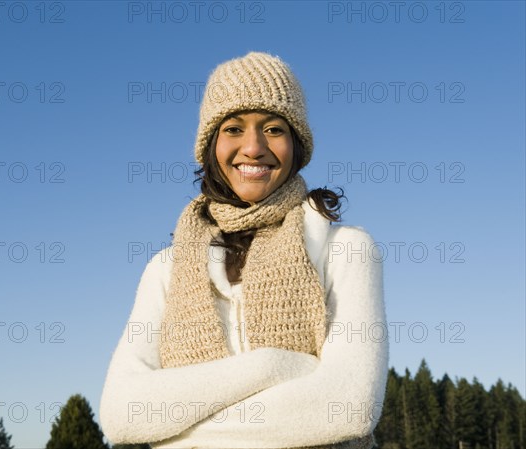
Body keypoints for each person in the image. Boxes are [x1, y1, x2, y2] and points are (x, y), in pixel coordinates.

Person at [99, 51, 389, 449]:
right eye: (233, 129)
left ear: (297, 144)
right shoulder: (166, 270)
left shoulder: (346, 250)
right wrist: (275, 366)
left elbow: (347, 408)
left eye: (272, 129)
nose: (252, 148)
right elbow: (122, 415)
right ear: (210, 146)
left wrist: (175, 434)